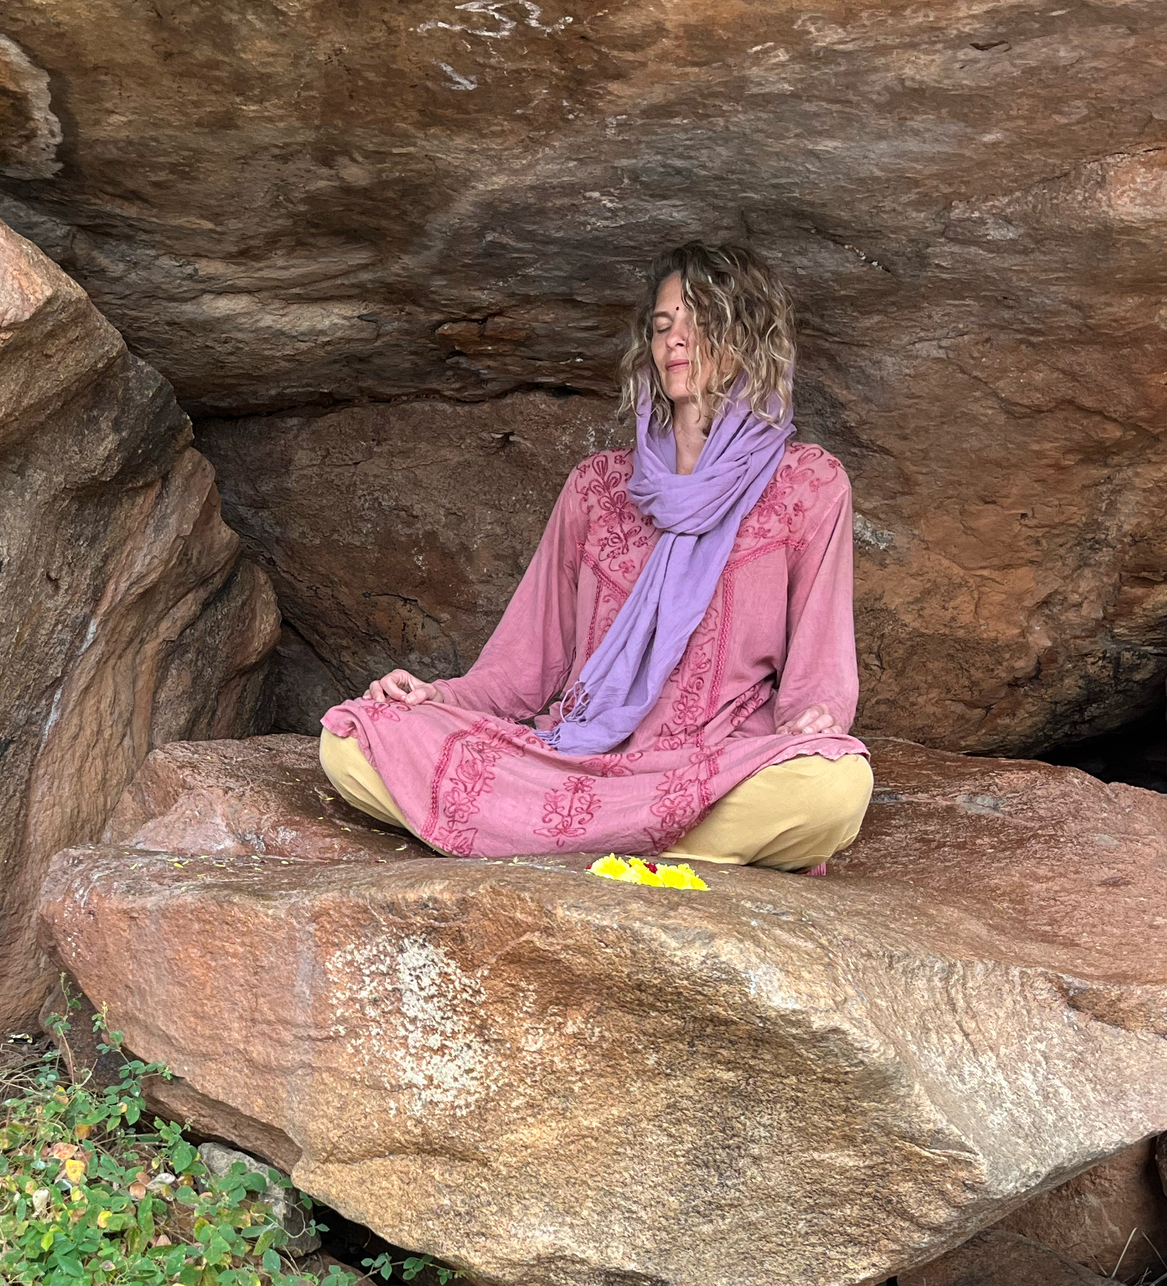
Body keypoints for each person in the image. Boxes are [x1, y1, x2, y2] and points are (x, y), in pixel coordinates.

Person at [318, 241, 872, 870]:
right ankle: (644, 839)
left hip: (714, 762)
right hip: (577, 761)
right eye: (662, 329)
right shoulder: (599, 487)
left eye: (700, 327)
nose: (674, 345)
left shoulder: (809, 485)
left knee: (836, 788)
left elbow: (820, 667)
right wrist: (435, 698)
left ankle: (547, 836)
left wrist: (813, 726)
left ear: (753, 340)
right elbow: (525, 664)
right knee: (352, 737)